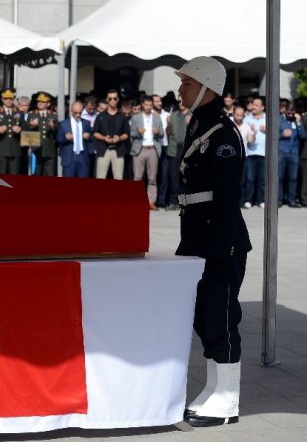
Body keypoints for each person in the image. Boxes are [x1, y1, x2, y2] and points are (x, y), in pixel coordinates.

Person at [175, 56, 251, 428]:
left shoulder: (222, 132)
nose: (180, 89)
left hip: (220, 241)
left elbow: (225, 196)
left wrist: (222, 250)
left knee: (221, 319)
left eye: (187, 83)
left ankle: (228, 401)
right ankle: (213, 390)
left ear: (207, 87)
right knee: (203, 318)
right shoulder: (199, 124)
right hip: (197, 239)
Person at [130, 96, 164, 210]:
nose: (149, 107)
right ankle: (136, 200)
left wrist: (158, 131)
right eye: (147, 105)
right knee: (138, 177)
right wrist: (138, 132)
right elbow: (131, 133)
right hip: (140, 149)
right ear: (142, 105)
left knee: (152, 178)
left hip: (152, 149)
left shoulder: (157, 118)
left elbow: (162, 134)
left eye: (150, 105)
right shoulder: (136, 118)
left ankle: (151, 201)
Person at [94, 89, 129, 180]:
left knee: (118, 178)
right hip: (103, 150)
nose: (112, 100)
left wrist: (119, 138)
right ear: (107, 99)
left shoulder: (122, 117)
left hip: (118, 150)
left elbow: (126, 133)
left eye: (114, 98)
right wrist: (104, 138)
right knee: (100, 177)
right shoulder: (100, 116)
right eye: (110, 99)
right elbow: (95, 133)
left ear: (118, 99)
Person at [0, 88, 22, 174]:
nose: (8, 101)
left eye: (10, 98)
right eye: (6, 98)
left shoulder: (19, 112)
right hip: (1, 149)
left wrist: (20, 130)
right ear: (2, 99)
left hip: (15, 149)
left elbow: (26, 129)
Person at [57, 101, 92, 177]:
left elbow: (91, 137)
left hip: (83, 156)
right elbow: (58, 138)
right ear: (71, 110)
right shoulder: (63, 124)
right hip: (69, 157)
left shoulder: (86, 123)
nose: (78, 115)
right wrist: (65, 138)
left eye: (80, 112)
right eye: (75, 113)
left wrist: (88, 137)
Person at [277, 105, 303, 207]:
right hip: (282, 151)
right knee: (280, 177)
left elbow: (303, 136)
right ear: (284, 111)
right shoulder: (279, 120)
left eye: (293, 113)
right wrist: (282, 134)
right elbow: (272, 135)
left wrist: (299, 123)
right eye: (289, 113)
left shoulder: (295, 121)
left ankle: (291, 200)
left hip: (293, 152)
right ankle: (279, 199)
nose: (291, 115)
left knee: (293, 178)